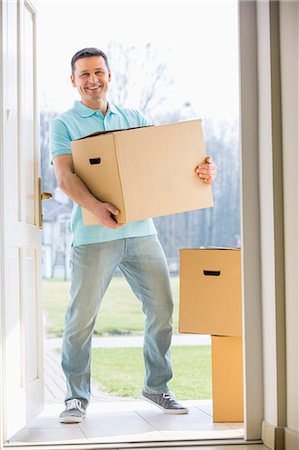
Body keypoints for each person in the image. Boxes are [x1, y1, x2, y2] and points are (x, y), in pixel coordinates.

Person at [49, 47, 217, 424]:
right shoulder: (64, 125)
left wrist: (202, 171)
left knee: (162, 309)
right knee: (81, 319)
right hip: (94, 236)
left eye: (99, 72)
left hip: (142, 232)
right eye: (84, 74)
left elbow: (165, 163)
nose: (93, 80)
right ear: (73, 80)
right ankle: (76, 397)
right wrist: (96, 208)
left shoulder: (135, 118)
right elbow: (64, 177)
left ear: (109, 76)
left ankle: (157, 386)